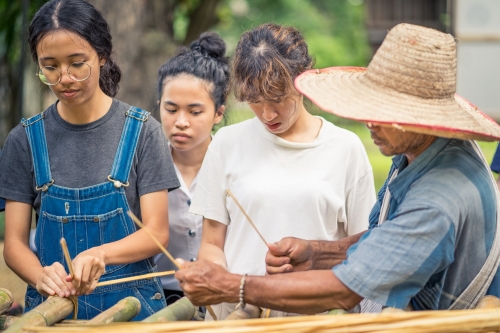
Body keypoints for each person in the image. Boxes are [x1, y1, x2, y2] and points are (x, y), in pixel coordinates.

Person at [175, 23, 500, 313]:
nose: (369, 123)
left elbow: (346, 289)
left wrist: (235, 286)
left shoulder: (437, 201)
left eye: (384, 114)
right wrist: (318, 253)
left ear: (423, 119)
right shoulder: (422, 150)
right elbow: (382, 240)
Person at [0, 0, 180, 320]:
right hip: (52, 312)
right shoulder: (24, 140)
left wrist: (102, 254)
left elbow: (157, 233)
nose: (65, 78)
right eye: (50, 66)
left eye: (77, 63)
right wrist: (40, 275)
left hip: (134, 312)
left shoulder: (143, 132)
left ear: (102, 56)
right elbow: (13, 243)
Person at [188, 23, 376, 319]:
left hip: (316, 316)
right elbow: (212, 244)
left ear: (302, 82)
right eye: (255, 101)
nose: (267, 114)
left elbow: (364, 248)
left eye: (277, 99)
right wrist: (219, 284)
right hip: (238, 316)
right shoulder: (226, 143)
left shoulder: (345, 148)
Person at [154, 32, 228, 305]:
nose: (181, 122)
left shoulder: (234, 164)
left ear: (218, 112)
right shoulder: (143, 166)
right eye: (171, 109)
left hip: (224, 299)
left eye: (195, 112)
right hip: (157, 301)